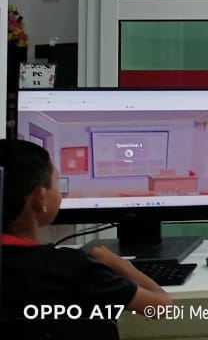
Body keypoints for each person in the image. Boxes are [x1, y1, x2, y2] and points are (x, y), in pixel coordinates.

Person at [0, 138, 172, 338]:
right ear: (40, 198)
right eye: (57, 183)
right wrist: (120, 265)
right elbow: (162, 308)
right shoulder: (72, 267)